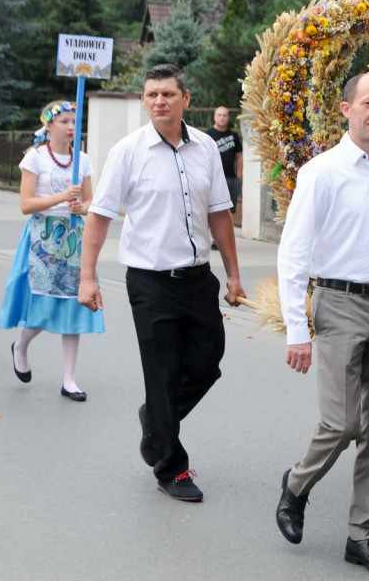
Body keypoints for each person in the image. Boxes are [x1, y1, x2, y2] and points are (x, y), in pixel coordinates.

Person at [78, 64, 245, 502]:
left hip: (197, 279)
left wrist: (232, 274)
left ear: (185, 99)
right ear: (143, 100)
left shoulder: (207, 147)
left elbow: (219, 214)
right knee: (164, 371)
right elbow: (99, 217)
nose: (159, 101)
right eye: (151, 94)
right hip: (150, 283)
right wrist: (87, 277)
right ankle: (171, 465)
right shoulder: (128, 152)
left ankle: (155, 418)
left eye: (168, 93)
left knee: (208, 362)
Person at [275, 73, 369, 578]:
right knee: (341, 423)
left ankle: (363, 536)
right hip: (339, 303)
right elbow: (295, 254)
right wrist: (296, 329)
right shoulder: (322, 173)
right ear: (346, 108)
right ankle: (296, 486)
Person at [0, 101, 103, 401]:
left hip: (73, 239)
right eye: (64, 122)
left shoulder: (81, 160)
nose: (71, 127)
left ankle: (70, 379)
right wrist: (60, 197)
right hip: (41, 239)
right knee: (42, 304)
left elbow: (89, 204)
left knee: (75, 303)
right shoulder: (35, 158)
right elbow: (25, 204)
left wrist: (78, 206)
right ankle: (21, 345)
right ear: (48, 126)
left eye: (74, 122)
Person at [206, 106, 243, 250]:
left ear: (228, 118)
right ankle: (209, 238)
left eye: (225, 115)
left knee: (228, 211)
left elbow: (239, 156)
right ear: (214, 117)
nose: (222, 117)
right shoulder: (208, 136)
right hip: (213, 179)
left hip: (230, 178)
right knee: (210, 210)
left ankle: (223, 241)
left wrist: (239, 176)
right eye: (219, 115)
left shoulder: (233, 136)